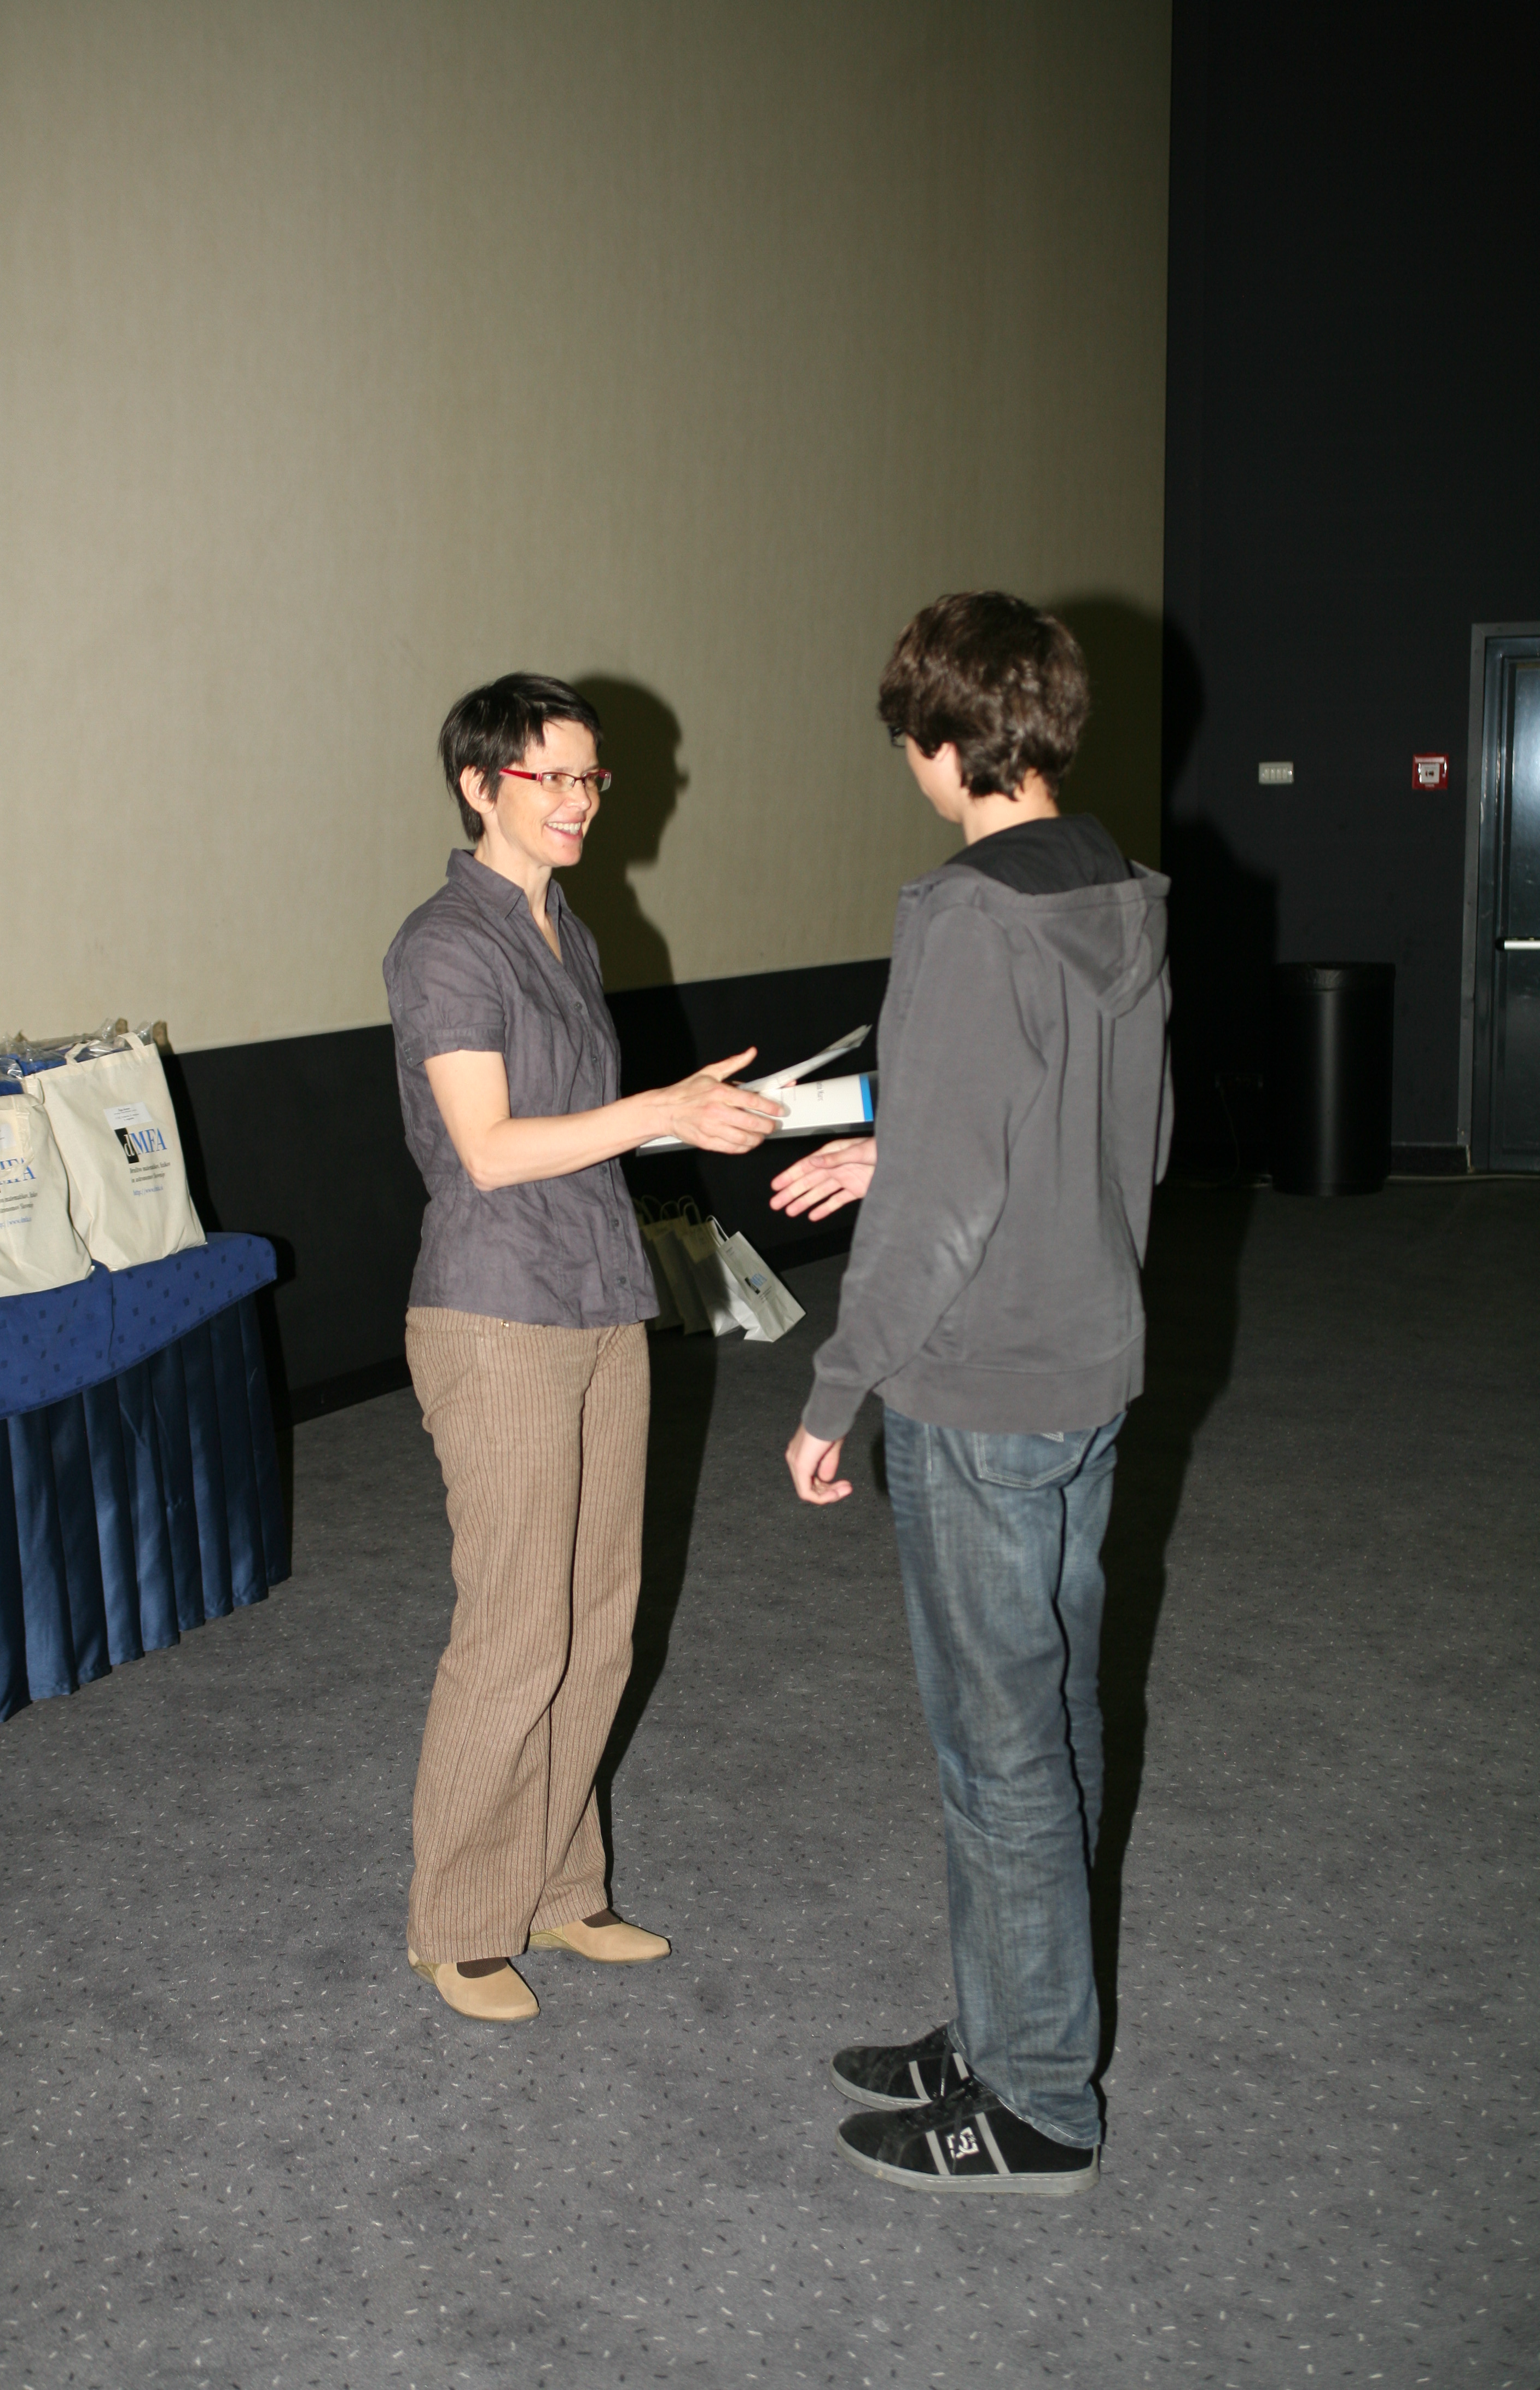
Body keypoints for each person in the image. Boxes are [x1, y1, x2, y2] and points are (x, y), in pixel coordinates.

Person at [774, 593, 1171, 2192]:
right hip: (1087, 1359)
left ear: (943, 742)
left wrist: (834, 1390)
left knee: (995, 1752)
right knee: (1053, 1720)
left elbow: (940, 1218)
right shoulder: (1116, 889)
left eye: (909, 741)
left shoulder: (963, 911)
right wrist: (917, 1142)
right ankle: (1015, 2021)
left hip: (983, 1386)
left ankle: (1037, 2104)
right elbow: (1119, 1133)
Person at [384, 673, 781, 2023]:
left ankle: (558, 1886)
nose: (578, 801)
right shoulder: (446, 943)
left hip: (600, 1298)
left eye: (590, 778)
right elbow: (491, 1152)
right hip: (495, 1311)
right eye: (548, 777)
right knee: (513, 1627)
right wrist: (657, 1108)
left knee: (597, 1616)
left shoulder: (569, 929)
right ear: (478, 784)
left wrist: (685, 1116)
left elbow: (580, 1128)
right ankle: (458, 1921)